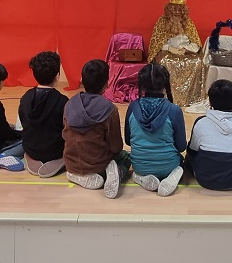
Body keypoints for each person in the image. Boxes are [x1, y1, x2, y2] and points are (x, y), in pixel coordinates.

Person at [63, 59, 131, 199]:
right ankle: (116, 173)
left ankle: (75, 174)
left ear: (82, 81)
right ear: (107, 83)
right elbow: (116, 146)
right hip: (97, 165)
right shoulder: (109, 109)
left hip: (70, 163)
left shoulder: (69, 104)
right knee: (127, 157)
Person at [125, 63, 187, 196]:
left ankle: (138, 177)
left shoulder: (132, 107)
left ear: (141, 85)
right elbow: (181, 146)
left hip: (139, 166)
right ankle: (174, 174)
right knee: (182, 161)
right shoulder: (174, 110)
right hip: (168, 165)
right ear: (165, 85)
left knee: (124, 156)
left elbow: (128, 141)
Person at [185, 79, 232, 191]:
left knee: (188, 156)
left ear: (209, 102)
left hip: (204, 180)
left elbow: (192, 150)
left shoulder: (201, 122)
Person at [148, 0, 206, 107]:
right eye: (174, 9)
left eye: (180, 9)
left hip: (186, 52)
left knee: (198, 62)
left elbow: (196, 43)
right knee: (165, 61)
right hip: (167, 51)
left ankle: (191, 98)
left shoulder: (188, 23)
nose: (177, 12)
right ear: (169, 9)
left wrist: (186, 49)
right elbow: (156, 43)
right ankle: (167, 97)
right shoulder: (162, 22)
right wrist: (170, 48)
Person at [19, 51, 69, 177]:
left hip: (30, 147)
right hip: (55, 151)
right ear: (57, 76)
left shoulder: (25, 98)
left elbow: (24, 123)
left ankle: (31, 156)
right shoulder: (63, 101)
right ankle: (61, 159)